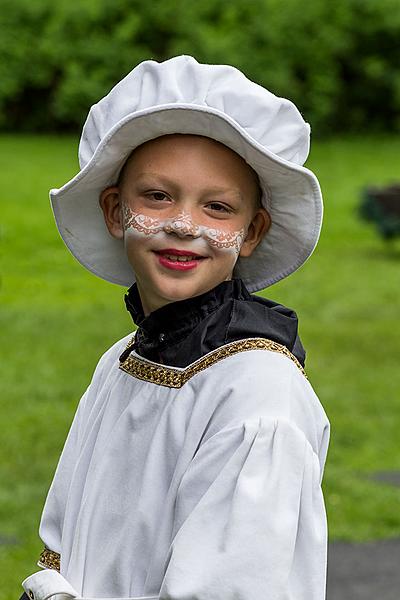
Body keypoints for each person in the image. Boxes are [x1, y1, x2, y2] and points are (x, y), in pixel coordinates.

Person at [21, 55, 330, 600]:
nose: (184, 226)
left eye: (217, 207)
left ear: (252, 231)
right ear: (116, 211)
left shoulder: (258, 399)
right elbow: (68, 542)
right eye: (158, 196)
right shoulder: (124, 358)